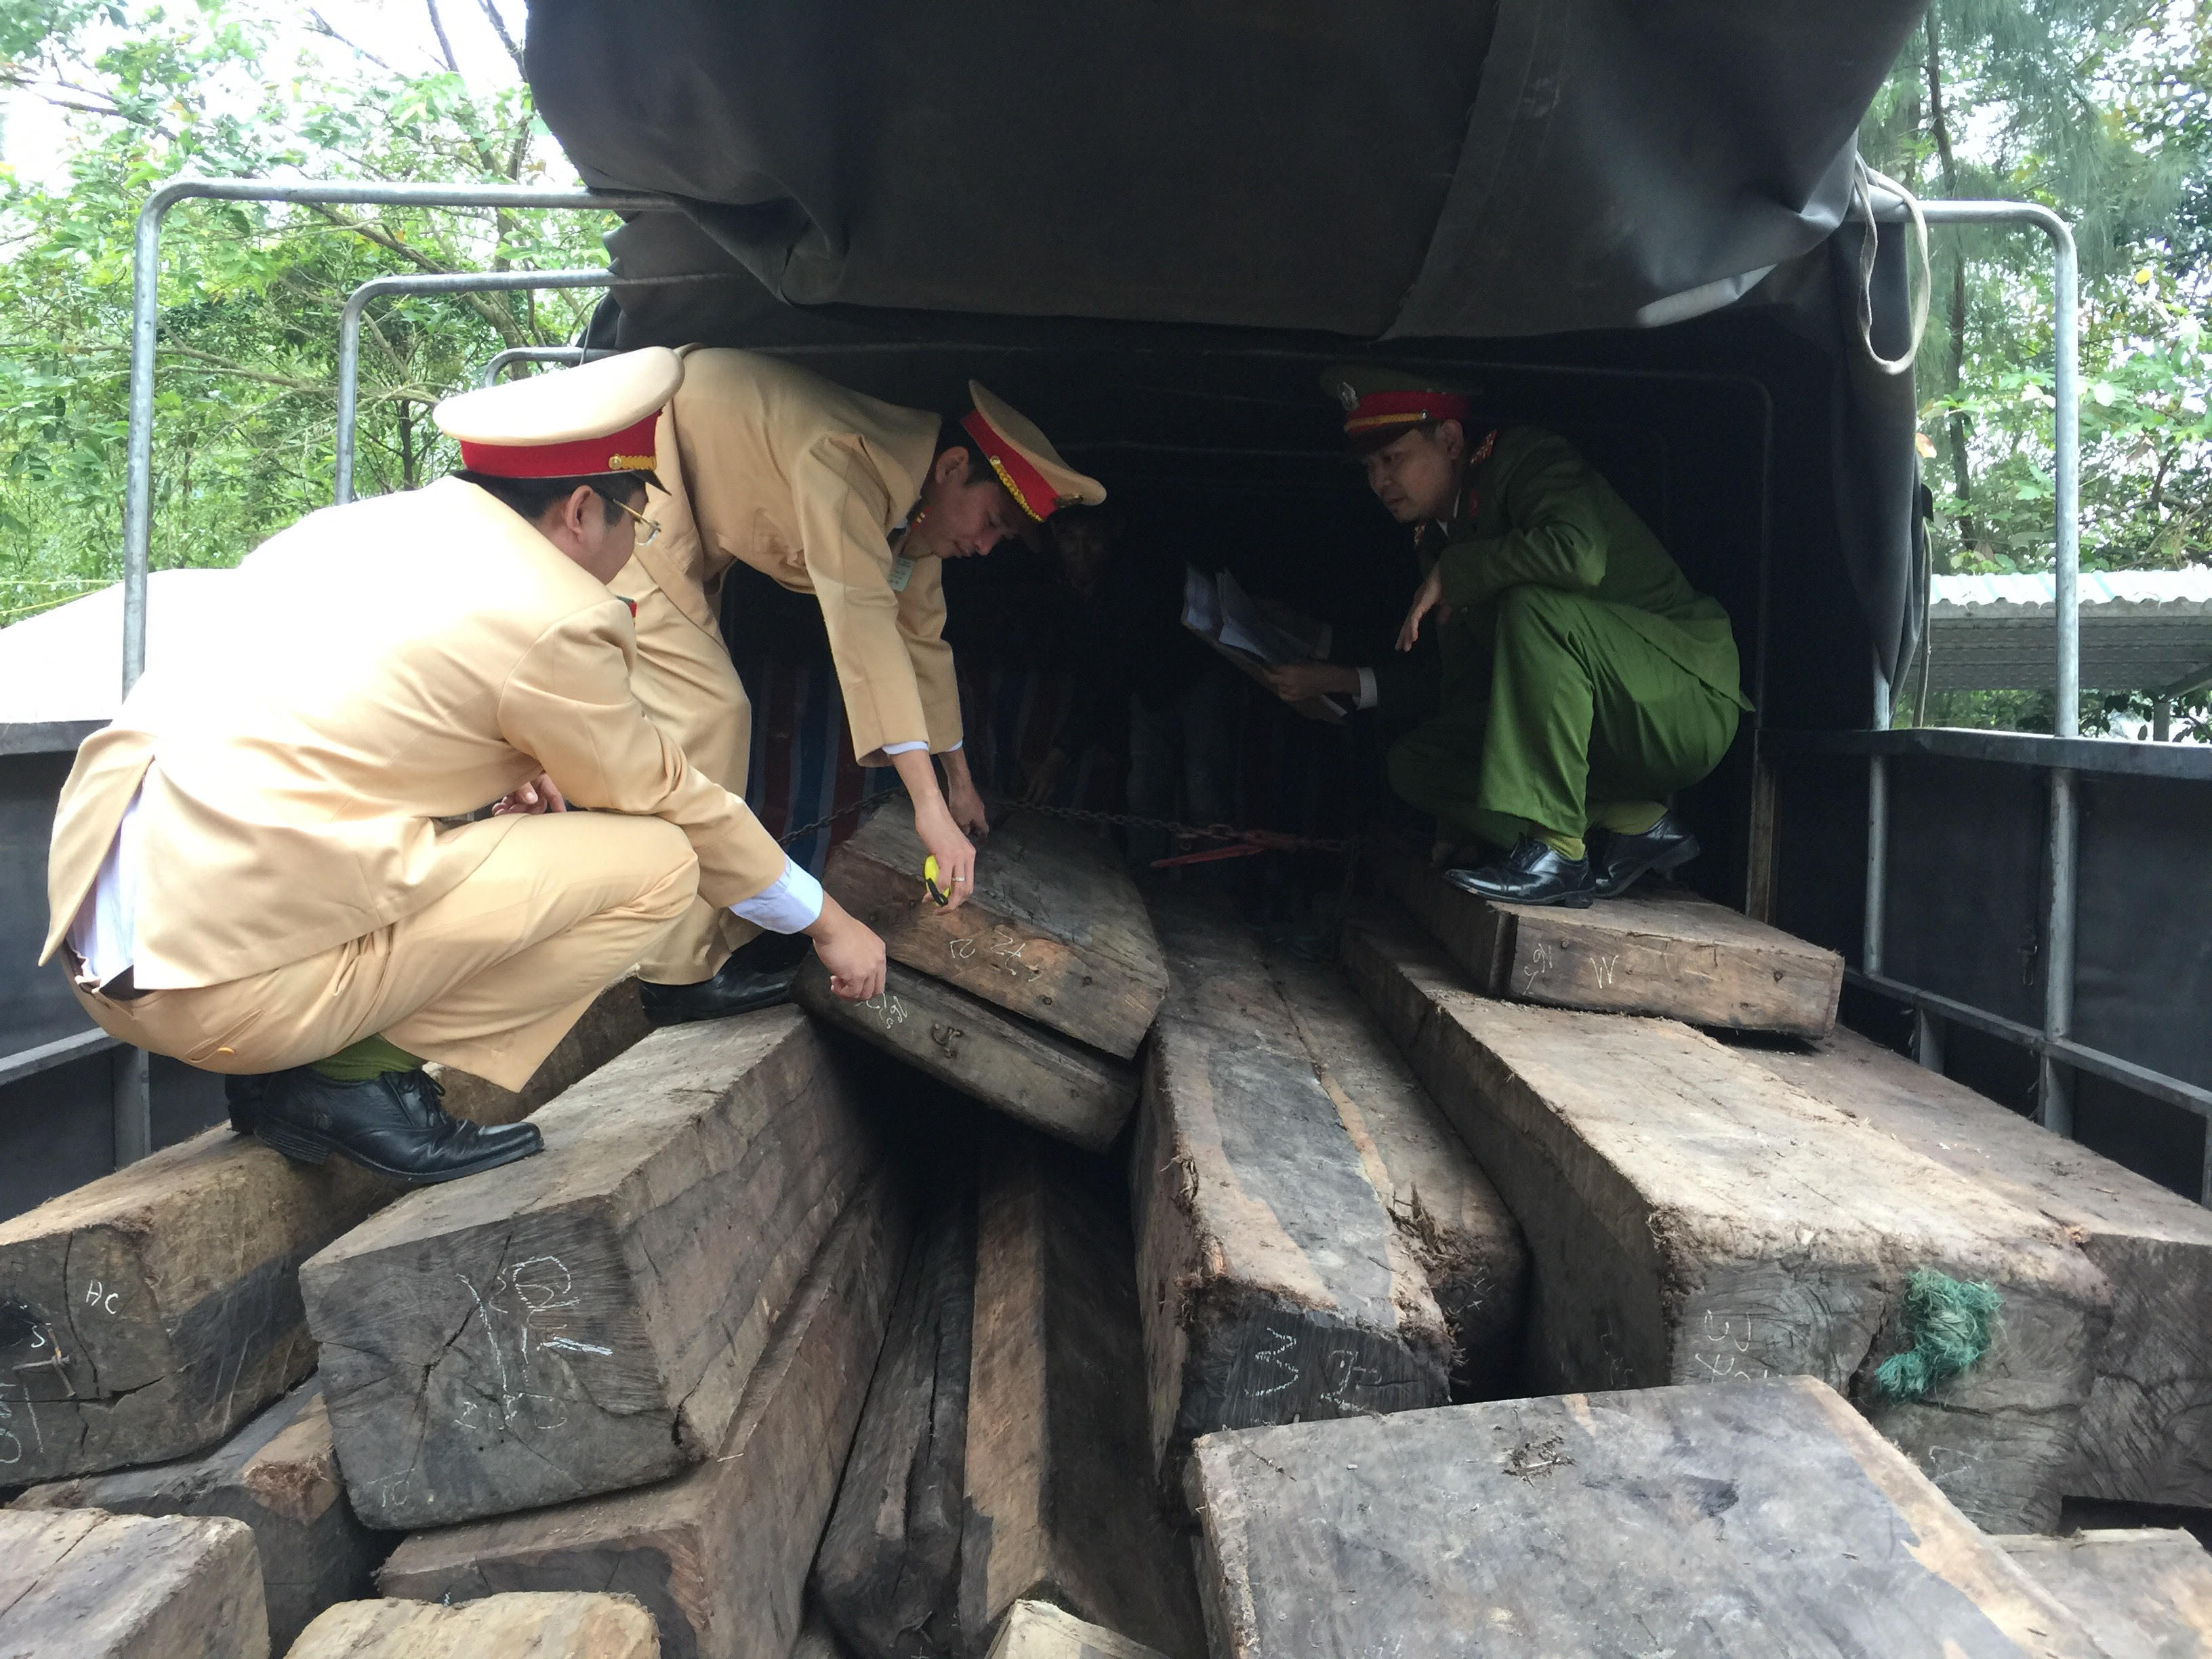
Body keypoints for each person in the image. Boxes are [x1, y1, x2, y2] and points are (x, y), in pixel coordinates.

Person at [41, 349, 888, 1184]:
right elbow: (669, 796)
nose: (636, 544)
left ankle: (297, 1069)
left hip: (115, 965)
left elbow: (348, 734)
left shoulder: (349, 532)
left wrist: (482, 780)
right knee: (659, 864)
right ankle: (350, 1079)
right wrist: (827, 924)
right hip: (230, 998)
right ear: (581, 511)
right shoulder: (555, 611)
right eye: (638, 522)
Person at [613, 349, 1105, 1022]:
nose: (988, 546)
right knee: (712, 717)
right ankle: (674, 979)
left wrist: (959, 784)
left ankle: (717, 943)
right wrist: (928, 807)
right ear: (952, 468)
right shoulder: (852, 465)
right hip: (638, 507)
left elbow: (922, 645)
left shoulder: (914, 513)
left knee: (714, 719)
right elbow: (865, 630)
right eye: (992, 521)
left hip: (689, 535)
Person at [1322, 365, 1751, 905]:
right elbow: (1468, 680)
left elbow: (1579, 554)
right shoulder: (1437, 541)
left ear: (1450, 441)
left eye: (1392, 458)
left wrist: (1459, 571)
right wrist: (1460, 826)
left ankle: (1559, 851)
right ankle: (1632, 822)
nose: (1379, 482)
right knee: (1418, 763)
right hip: (1597, 737)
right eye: (1369, 467)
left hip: (1682, 702)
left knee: (1534, 606)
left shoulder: (1522, 459)